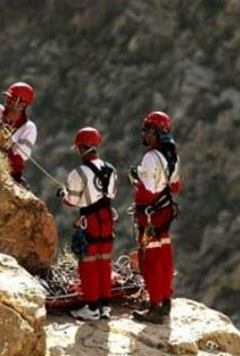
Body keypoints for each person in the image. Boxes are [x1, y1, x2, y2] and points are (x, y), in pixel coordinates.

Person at [57, 127, 118, 321]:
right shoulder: (111, 169)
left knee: (88, 262)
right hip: (107, 217)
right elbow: (111, 194)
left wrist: (63, 194)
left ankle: (91, 307)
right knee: (105, 260)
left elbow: (72, 201)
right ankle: (105, 306)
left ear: (82, 147)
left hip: (89, 220)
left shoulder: (78, 173)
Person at [130, 111, 182, 324]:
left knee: (150, 261)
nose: (144, 134)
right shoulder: (173, 154)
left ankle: (155, 306)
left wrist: (135, 180)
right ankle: (165, 301)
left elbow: (147, 192)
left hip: (150, 216)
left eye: (147, 130)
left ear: (155, 133)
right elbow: (176, 187)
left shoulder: (151, 158)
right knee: (165, 257)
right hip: (165, 212)